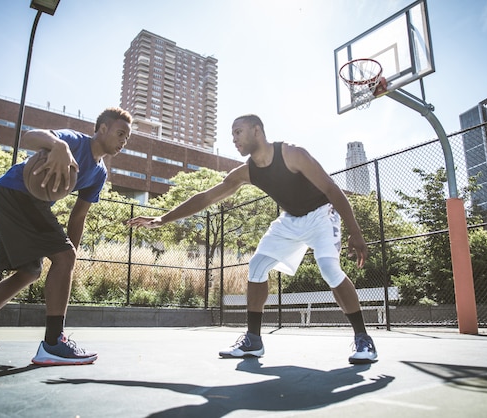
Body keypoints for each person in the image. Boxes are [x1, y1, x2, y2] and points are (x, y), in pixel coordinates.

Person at [126, 114, 376, 364]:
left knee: (329, 268)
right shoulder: (246, 172)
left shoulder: (292, 154)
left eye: (238, 132)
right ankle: (253, 341)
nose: (234, 138)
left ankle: (363, 339)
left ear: (257, 131)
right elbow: (206, 198)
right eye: (232, 134)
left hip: (322, 215)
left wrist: (356, 232)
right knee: (257, 266)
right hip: (290, 221)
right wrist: (163, 218)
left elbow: (332, 189)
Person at [0, 107, 132, 365]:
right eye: (120, 133)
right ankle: (54, 343)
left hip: (20, 200)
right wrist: (59, 146)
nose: (124, 141)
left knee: (30, 272)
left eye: (127, 138)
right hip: (15, 192)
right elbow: (29, 136)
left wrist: (70, 258)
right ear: (102, 129)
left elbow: (78, 216)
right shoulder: (75, 141)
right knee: (60, 259)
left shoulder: (99, 174)